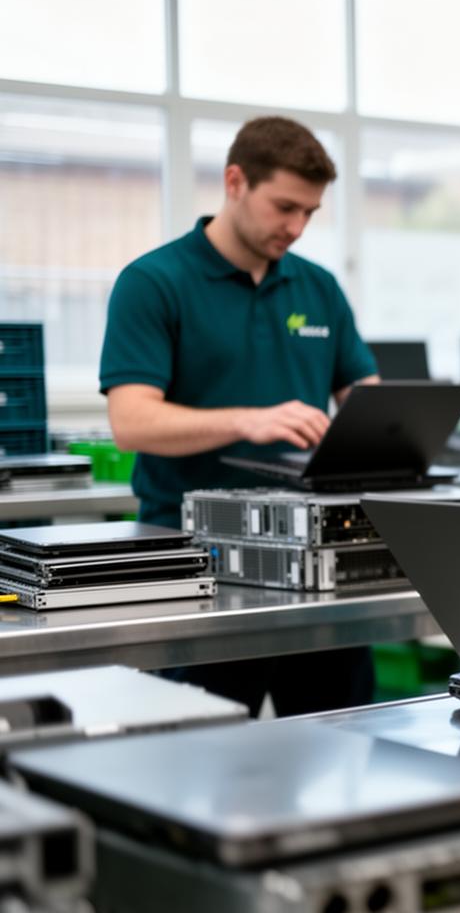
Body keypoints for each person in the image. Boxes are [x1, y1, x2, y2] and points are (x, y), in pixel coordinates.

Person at [100, 115, 379, 715]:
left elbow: (366, 398)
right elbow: (131, 422)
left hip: (310, 561)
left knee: (341, 739)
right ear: (235, 182)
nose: (296, 227)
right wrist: (246, 421)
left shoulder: (319, 288)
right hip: (192, 561)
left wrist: (386, 431)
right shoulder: (153, 283)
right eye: (284, 207)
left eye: (310, 212)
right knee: (199, 750)